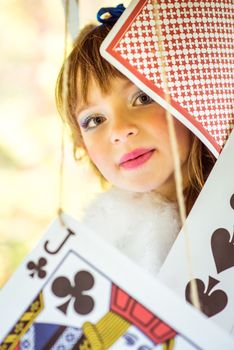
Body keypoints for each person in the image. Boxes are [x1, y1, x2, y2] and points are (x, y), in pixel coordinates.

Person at [56, 4, 216, 276]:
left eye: (142, 97)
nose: (119, 130)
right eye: (95, 120)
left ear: (189, 96)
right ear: (82, 146)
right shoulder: (99, 252)